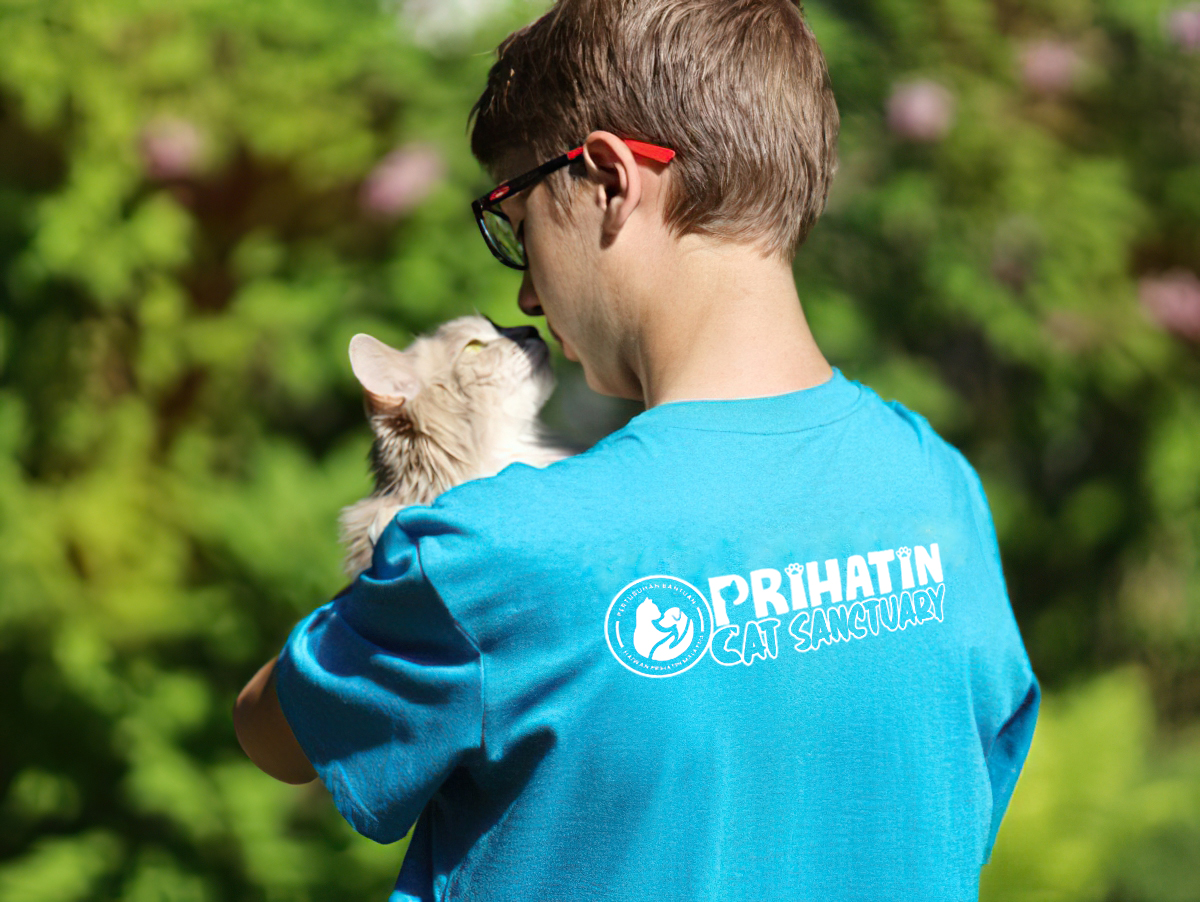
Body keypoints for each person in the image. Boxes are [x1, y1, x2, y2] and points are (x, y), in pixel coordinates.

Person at [234, 0, 1040, 899]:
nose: (528, 296)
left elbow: (270, 732)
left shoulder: (494, 556)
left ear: (610, 181)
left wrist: (411, 544)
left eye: (518, 225)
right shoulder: (939, 489)